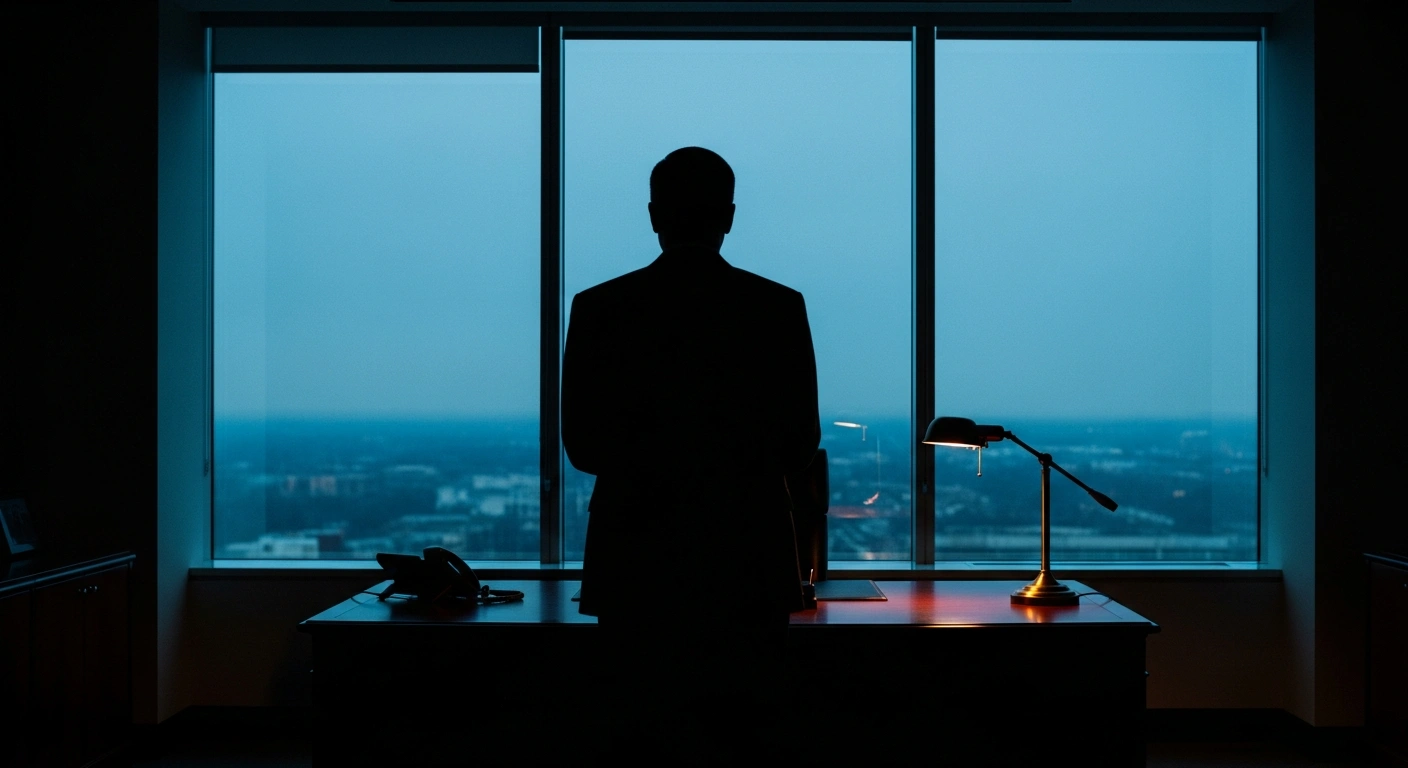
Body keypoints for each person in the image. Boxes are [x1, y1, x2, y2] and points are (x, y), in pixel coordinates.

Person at [561, 147, 820, 762]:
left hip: (635, 562)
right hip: (748, 560)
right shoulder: (777, 308)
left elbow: (583, 446)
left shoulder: (599, 308)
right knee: (745, 737)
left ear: (654, 215)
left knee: (640, 737)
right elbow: (799, 444)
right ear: (728, 216)